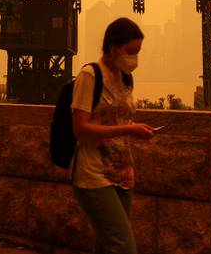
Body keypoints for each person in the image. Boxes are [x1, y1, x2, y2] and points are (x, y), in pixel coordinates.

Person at [71, 17, 155, 254]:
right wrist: (128, 129)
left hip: (123, 173)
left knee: (107, 246)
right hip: (93, 173)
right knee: (123, 247)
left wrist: (135, 127)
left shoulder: (126, 78)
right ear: (112, 47)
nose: (134, 58)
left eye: (137, 53)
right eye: (131, 51)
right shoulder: (90, 76)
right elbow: (80, 128)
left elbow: (120, 120)